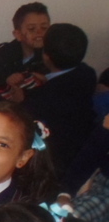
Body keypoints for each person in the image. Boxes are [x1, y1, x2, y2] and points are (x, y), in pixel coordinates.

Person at [13, 23, 97, 177]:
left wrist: (20, 101)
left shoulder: (42, 98)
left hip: (57, 160)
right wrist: (48, 80)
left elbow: (25, 117)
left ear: (46, 56)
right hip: (83, 141)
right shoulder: (88, 73)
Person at [0, 2, 50, 98]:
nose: (39, 32)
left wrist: (45, 79)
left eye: (44, 28)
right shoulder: (4, 52)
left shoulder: (53, 54)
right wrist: (6, 79)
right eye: (31, 29)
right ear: (18, 34)